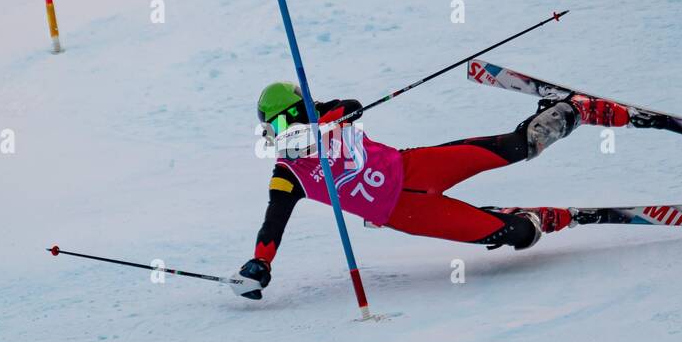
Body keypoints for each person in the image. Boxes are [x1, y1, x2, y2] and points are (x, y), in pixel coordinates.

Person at [235, 80, 630, 300]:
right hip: (407, 216)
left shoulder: (326, 117)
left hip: (417, 167)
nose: (273, 136)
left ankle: (572, 111)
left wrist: (330, 118)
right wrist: (260, 264)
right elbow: (273, 224)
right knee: (515, 235)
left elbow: (350, 103)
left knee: (516, 146)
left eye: (276, 127)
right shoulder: (288, 175)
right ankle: (532, 220)